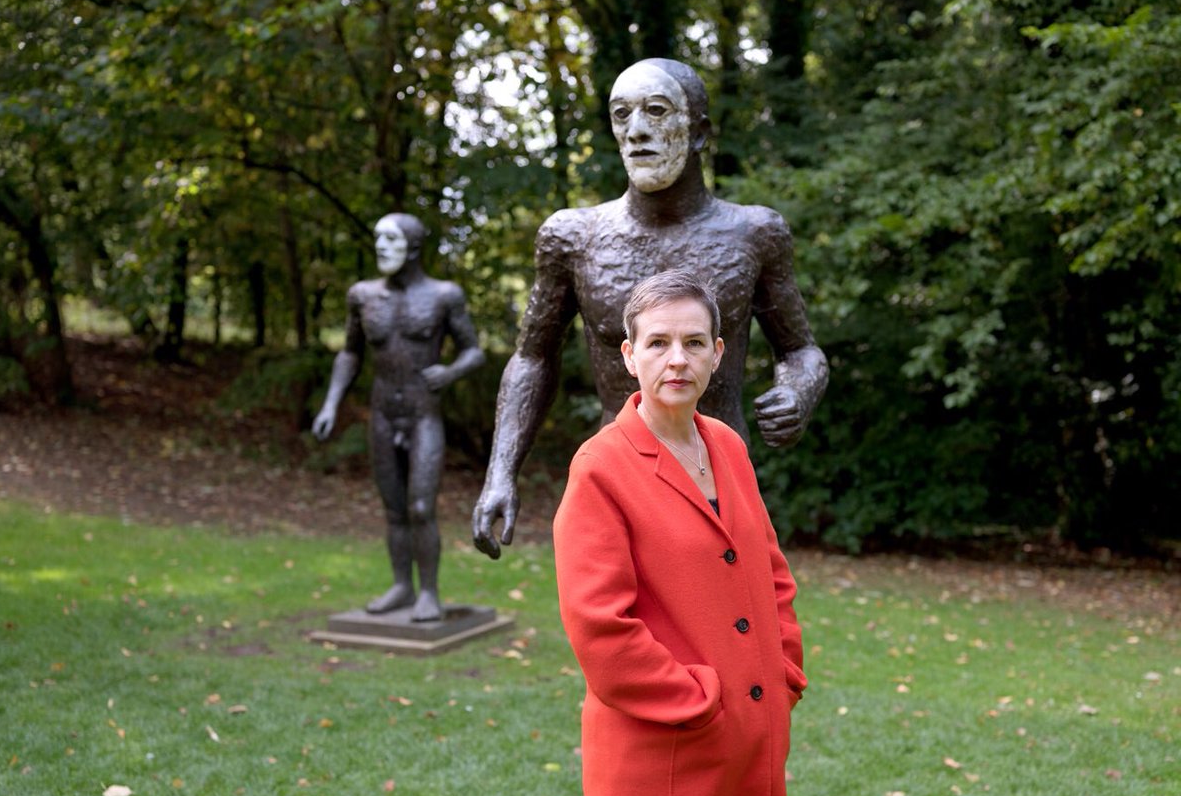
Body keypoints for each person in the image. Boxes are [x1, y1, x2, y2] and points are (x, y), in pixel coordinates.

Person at [473, 57, 827, 559]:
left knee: (723, 623)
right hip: (614, 478)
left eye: (656, 111)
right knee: (612, 623)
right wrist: (500, 472)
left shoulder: (753, 234)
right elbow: (532, 358)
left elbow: (801, 350)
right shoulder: (573, 238)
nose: (637, 130)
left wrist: (797, 393)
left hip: (719, 477)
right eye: (622, 115)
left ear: (699, 132)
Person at [553, 269, 806, 796]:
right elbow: (600, 627)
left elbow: (770, 572)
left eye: (694, 343)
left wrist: (782, 672)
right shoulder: (599, 468)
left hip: (750, 742)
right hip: (664, 753)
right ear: (628, 354)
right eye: (658, 343)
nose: (677, 360)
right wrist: (697, 702)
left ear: (718, 354)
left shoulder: (727, 445)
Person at [312, 212, 483, 622]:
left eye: (390, 240)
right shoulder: (363, 295)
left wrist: (451, 371)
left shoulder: (444, 295)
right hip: (384, 412)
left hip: (423, 412)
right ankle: (401, 587)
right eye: (377, 240)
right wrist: (331, 403)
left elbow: (473, 351)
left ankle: (429, 593)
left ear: (412, 247)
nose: (381, 248)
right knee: (393, 508)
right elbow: (350, 352)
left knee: (421, 505)